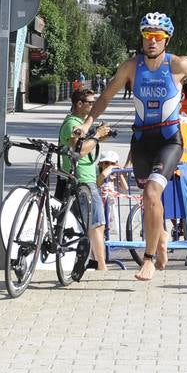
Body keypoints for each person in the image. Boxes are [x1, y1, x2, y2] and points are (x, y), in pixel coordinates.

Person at [86, 12, 187, 282]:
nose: (152, 41)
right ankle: (162, 237)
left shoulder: (179, 64)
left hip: (170, 141)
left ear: (166, 40)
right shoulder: (131, 67)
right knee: (149, 199)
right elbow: (107, 95)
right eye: (147, 36)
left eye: (157, 37)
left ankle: (148, 261)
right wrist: (87, 122)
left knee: (152, 194)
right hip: (142, 142)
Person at [61, 89, 116, 272]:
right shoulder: (72, 123)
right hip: (82, 180)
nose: (93, 107)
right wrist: (97, 136)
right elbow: (80, 150)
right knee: (97, 225)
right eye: (90, 103)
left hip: (86, 178)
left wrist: (100, 134)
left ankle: (91, 263)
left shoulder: (80, 123)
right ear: (79, 104)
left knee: (90, 225)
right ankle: (101, 267)